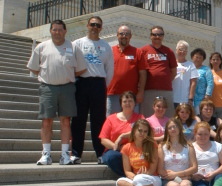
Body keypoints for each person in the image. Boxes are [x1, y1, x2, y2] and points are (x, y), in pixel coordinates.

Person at [27, 19, 88, 165]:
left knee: (65, 121)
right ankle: (46, 154)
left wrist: (66, 75)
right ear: (50, 31)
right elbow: (34, 68)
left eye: (60, 29)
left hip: (67, 88)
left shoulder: (73, 47)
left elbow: (81, 69)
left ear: (65, 31)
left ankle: (64, 155)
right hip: (47, 87)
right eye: (54, 29)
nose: (57, 32)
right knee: (46, 120)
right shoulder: (42, 47)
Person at [70, 16, 114, 164]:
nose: (95, 27)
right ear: (87, 26)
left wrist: (103, 85)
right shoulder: (77, 44)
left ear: (101, 28)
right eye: (92, 24)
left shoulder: (106, 46)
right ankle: (76, 153)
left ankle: (100, 154)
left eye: (98, 25)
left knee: (98, 121)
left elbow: (109, 69)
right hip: (81, 83)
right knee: (78, 120)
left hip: (98, 84)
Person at [158, 118, 212, 186]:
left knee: (185, 185)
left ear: (180, 128)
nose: (173, 129)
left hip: (183, 178)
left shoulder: (188, 146)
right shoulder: (162, 146)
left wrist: (177, 175)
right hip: (167, 181)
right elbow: (160, 170)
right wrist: (175, 177)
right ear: (167, 130)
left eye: (175, 126)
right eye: (170, 127)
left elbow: (194, 167)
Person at [116, 120, 165, 186]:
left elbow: (152, 169)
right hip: (136, 178)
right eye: (140, 130)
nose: (142, 133)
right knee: (119, 182)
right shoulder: (126, 147)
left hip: (152, 179)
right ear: (134, 131)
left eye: (145, 131)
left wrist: (142, 176)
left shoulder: (152, 144)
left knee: (139, 179)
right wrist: (135, 177)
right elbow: (127, 171)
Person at [99, 91, 144, 176]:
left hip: (135, 151)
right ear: (121, 104)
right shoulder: (111, 118)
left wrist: (123, 136)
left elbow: (144, 132)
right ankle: (130, 176)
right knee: (112, 158)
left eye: (130, 101)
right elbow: (103, 139)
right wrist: (118, 147)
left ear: (135, 103)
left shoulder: (140, 118)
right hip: (115, 151)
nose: (127, 103)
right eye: (125, 101)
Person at [106, 25, 145, 115]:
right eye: (121, 34)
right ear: (117, 35)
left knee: (132, 123)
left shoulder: (137, 52)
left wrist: (141, 92)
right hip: (113, 94)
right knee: (113, 122)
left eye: (127, 34)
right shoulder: (109, 51)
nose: (124, 36)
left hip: (132, 96)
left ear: (130, 36)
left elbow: (143, 73)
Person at [138, 27, 177, 115]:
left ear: (163, 36)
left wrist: (164, 81)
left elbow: (174, 72)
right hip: (148, 90)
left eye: (160, 34)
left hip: (166, 90)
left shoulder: (169, 51)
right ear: (150, 36)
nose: (157, 37)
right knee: (147, 116)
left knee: (168, 116)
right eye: (154, 34)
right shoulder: (143, 50)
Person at [191, 121, 222, 186]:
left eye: (206, 134)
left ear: (209, 134)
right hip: (198, 178)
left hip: (215, 175)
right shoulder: (190, 147)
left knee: (221, 183)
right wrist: (192, 176)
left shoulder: (217, 146)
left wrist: (214, 173)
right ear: (195, 133)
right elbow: (186, 165)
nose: (203, 137)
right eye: (200, 134)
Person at [172, 40, 199, 110]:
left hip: (184, 100)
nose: (182, 52)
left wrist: (190, 98)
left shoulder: (190, 65)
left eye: (185, 50)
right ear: (176, 50)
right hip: (172, 98)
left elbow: (193, 82)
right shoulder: (171, 63)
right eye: (180, 49)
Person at [191, 48, 213, 113]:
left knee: (199, 117)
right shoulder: (189, 68)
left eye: (200, 57)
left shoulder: (206, 69)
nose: (198, 59)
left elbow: (210, 83)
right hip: (188, 98)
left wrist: (207, 96)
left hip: (201, 99)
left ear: (203, 59)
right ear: (192, 57)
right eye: (196, 57)